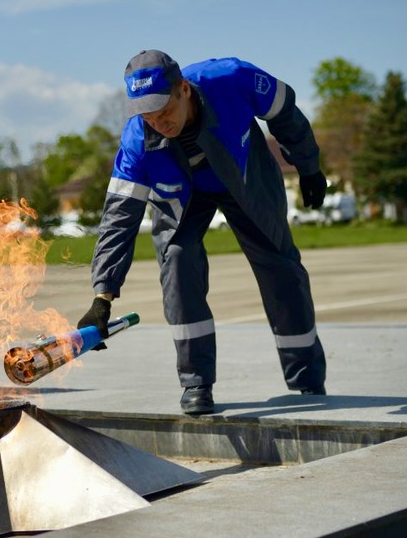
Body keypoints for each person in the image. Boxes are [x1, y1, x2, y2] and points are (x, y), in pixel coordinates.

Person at [77, 50, 327, 415]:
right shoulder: (136, 141)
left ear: (184, 90)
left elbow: (285, 111)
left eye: (164, 111)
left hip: (244, 176)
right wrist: (103, 296)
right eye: (148, 115)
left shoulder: (231, 80)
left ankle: (307, 380)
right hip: (183, 196)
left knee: (280, 267)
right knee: (177, 263)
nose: (158, 123)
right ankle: (197, 384)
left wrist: (307, 166)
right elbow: (119, 220)